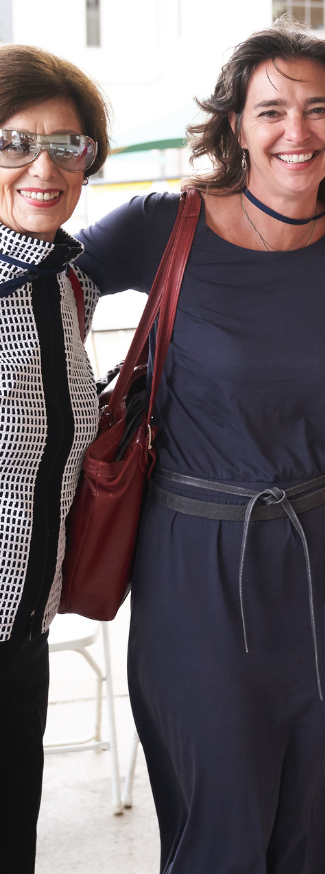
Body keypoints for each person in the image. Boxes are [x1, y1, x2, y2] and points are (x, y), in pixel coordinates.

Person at [74, 20, 325, 874]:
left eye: (317, 110)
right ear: (237, 125)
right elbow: (34, 283)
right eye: (272, 109)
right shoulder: (164, 225)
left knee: (320, 809)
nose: (297, 131)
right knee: (218, 808)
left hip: (323, 548)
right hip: (191, 551)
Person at [0, 44, 106, 874]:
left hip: (22, 629)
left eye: (67, 145)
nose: (43, 166)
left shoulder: (66, 285)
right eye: (13, 141)